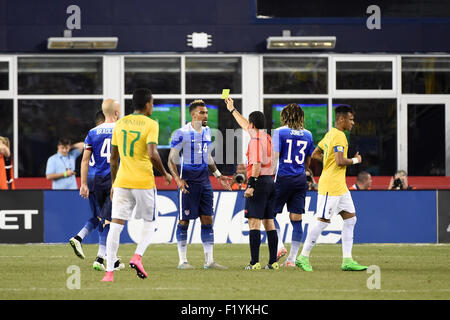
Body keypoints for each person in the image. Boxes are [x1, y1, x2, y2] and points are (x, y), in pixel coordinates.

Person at [101, 88, 172, 282]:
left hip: (122, 181)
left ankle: (109, 272)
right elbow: (152, 154)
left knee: (115, 225)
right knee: (150, 222)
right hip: (143, 181)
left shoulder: (120, 123)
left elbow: (113, 158)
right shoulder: (151, 124)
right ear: (148, 104)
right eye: (153, 102)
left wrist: (114, 184)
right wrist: (164, 173)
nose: (153, 106)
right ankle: (137, 256)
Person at [296, 105, 368, 272]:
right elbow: (340, 161)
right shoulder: (340, 136)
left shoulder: (330, 134)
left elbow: (315, 154)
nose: (353, 123)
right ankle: (303, 256)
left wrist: (328, 162)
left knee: (350, 220)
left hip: (340, 186)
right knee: (322, 222)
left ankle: (347, 260)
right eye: (350, 119)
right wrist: (356, 160)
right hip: (331, 186)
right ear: (341, 119)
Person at [168, 99, 232, 270]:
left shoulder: (207, 131)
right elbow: (171, 160)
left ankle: (209, 261)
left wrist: (218, 175)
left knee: (207, 219)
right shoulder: (182, 133)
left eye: (206, 112)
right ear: (193, 114)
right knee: (184, 221)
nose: (206, 115)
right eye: (202, 112)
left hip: (205, 181)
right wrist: (178, 179)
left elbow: (207, 156)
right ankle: (182, 261)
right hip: (188, 182)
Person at [225, 97, 279, 270]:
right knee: (269, 222)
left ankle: (254, 262)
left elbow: (256, 165)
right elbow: (244, 124)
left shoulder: (255, 141)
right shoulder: (267, 137)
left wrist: (251, 185)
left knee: (254, 222)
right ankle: (273, 263)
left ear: (252, 124)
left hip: (259, 182)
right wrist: (232, 109)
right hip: (270, 181)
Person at [272, 103, 315, 267]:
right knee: (296, 219)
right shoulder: (308, 135)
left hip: (282, 177)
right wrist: (303, 172)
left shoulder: (280, 132)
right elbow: (308, 160)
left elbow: (275, 158)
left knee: (269, 214)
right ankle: (291, 260)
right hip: (299, 179)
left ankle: (279, 246)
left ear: (285, 116)